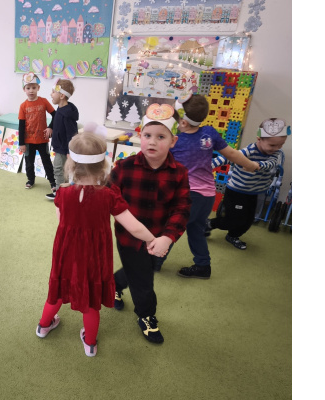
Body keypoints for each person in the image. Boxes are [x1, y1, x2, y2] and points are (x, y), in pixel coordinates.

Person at [35, 131, 160, 357]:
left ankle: (44, 326)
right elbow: (134, 227)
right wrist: (153, 239)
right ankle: (90, 342)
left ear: (71, 163)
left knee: (58, 291)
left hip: (66, 253)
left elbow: (61, 221)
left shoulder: (62, 193)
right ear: (104, 165)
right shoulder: (109, 195)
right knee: (91, 301)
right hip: (94, 256)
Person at [110, 105, 191, 344]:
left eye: (161, 137)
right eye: (147, 135)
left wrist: (167, 237)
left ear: (173, 141)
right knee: (144, 280)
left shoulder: (179, 173)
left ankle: (113, 284)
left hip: (161, 239)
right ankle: (146, 315)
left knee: (141, 269)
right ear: (140, 136)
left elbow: (182, 208)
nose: (152, 142)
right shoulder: (123, 168)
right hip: (128, 238)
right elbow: (107, 199)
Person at [166, 94, 260, 279]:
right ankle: (203, 266)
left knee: (170, 227)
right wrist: (250, 165)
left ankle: (154, 261)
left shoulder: (175, 141)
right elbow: (232, 153)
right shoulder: (209, 133)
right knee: (195, 229)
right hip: (208, 195)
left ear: (183, 122)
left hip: (188, 196)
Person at [206, 118, 291, 250]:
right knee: (232, 220)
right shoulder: (248, 151)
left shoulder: (276, 153)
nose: (277, 148)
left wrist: (255, 165)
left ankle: (233, 236)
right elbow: (227, 157)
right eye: (272, 145)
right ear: (259, 139)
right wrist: (207, 166)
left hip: (253, 193)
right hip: (236, 191)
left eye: (281, 144)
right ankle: (209, 224)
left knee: (248, 221)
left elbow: (271, 164)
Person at [18, 72, 56, 193]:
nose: (31, 90)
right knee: (29, 163)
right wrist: (21, 143)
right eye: (28, 88)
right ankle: (30, 180)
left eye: (34, 87)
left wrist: (50, 127)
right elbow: (21, 125)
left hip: (42, 139)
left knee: (46, 161)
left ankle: (52, 181)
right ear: (24, 89)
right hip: (28, 141)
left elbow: (55, 115)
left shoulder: (44, 101)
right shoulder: (23, 106)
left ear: (38, 88)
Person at [45, 79, 79, 200]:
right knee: (62, 169)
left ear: (61, 96)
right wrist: (50, 127)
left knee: (58, 169)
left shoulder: (67, 114)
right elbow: (55, 120)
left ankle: (60, 193)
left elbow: (72, 134)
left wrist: (70, 151)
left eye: (53, 92)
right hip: (60, 146)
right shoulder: (60, 109)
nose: (51, 94)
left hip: (64, 148)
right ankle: (64, 190)